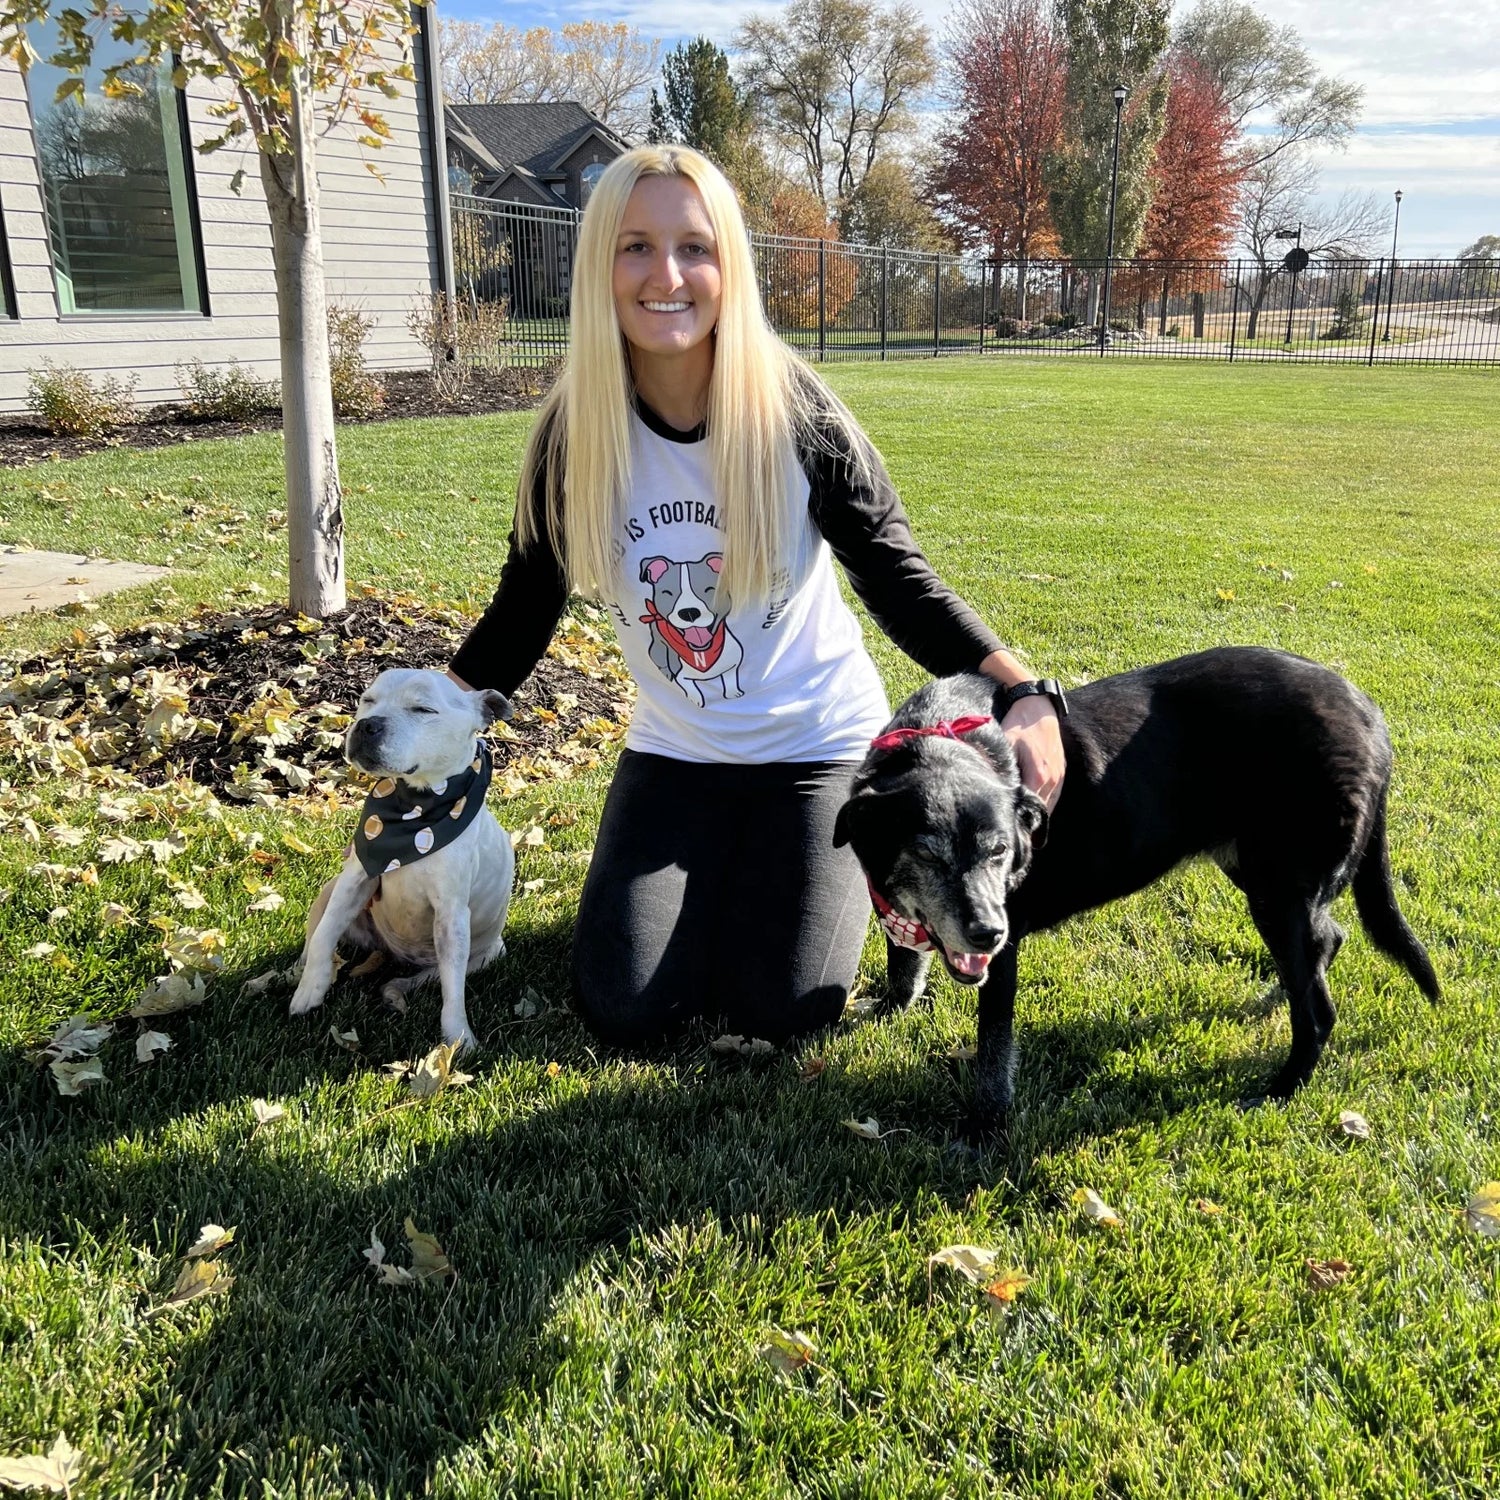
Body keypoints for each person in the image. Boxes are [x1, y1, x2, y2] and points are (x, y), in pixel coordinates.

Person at [447, 144, 1064, 1047]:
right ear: (599, 267)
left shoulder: (798, 413)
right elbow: (523, 608)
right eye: (635, 247)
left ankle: (767, 874)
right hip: (676, 751)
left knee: (784, 1009)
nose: (668, 275)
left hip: (814, 748)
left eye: (695, 247)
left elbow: (895, 573)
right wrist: (424, 731)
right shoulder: (573, 436)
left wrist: (1018, 686)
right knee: (625, 1008)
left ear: (727, 264)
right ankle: (716, 873)